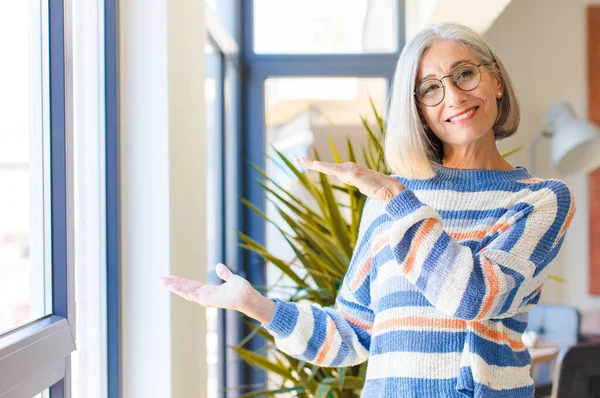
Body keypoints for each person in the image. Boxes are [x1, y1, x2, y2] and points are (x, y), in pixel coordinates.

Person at [159, 23, 576, 397]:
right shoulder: (390, 202)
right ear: (418, 112)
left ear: (497, 81)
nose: (453, 96)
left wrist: (399, 201)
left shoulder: (540, 199)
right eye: (430, 88)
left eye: (464, 73)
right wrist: (257, 306)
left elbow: (472, 296)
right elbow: (351, 334)